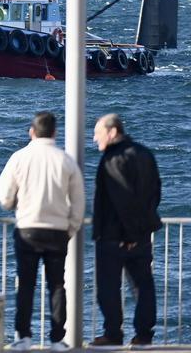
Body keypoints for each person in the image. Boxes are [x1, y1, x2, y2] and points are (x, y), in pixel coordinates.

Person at [0, 111, 83, 351]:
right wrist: (70, 228)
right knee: (57, 286)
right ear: (54, 132)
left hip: (28, 230)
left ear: (31, 132)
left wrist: (13, 204)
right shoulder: (65, 160)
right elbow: (78, 203)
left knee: (26, 285)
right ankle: (57, 339)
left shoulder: (19, 157)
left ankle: (24, 337)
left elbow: (4, 196)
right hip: (57, 232)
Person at [90, 114, 162, 348]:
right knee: (144, 286)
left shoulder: (113, 159)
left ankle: (113, 333)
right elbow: (155, 193)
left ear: (112, 132)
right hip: (142, 234)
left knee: (108, 288)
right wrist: (141, 228)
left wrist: (128, 234)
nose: (94, 138)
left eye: (98, 133)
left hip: (115, 236)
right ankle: (144, 335)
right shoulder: (145, 153)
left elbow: (122, 199)